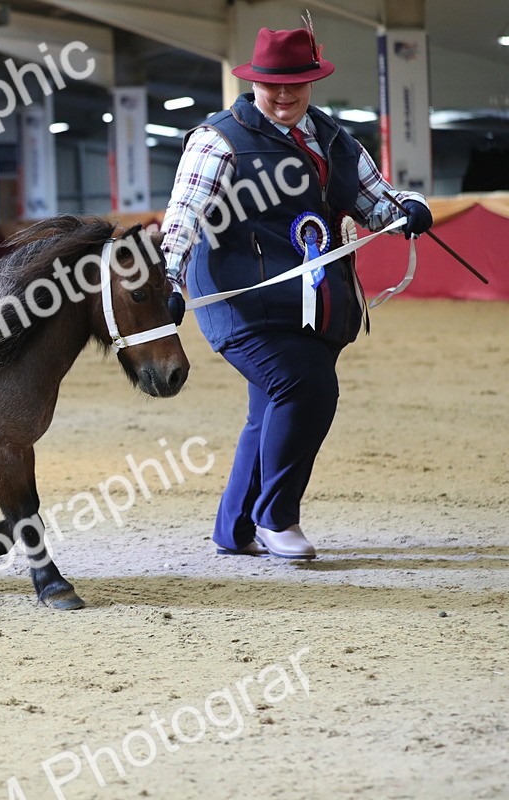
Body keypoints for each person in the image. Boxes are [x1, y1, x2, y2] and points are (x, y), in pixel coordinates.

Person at [160, 22, 433, 559]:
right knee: (306, 389)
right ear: (253, 81)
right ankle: (276, 518)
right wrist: (168, 277)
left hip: (315, 302)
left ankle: (234, 529)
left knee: (270, 409)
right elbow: (183, 217)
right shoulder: (218, 140)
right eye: (272, 85)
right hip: (240, 300)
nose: (284, 95)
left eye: (296, 85)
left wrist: (408, 210)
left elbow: (375, 202)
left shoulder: (335, 137)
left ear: (312, 82)